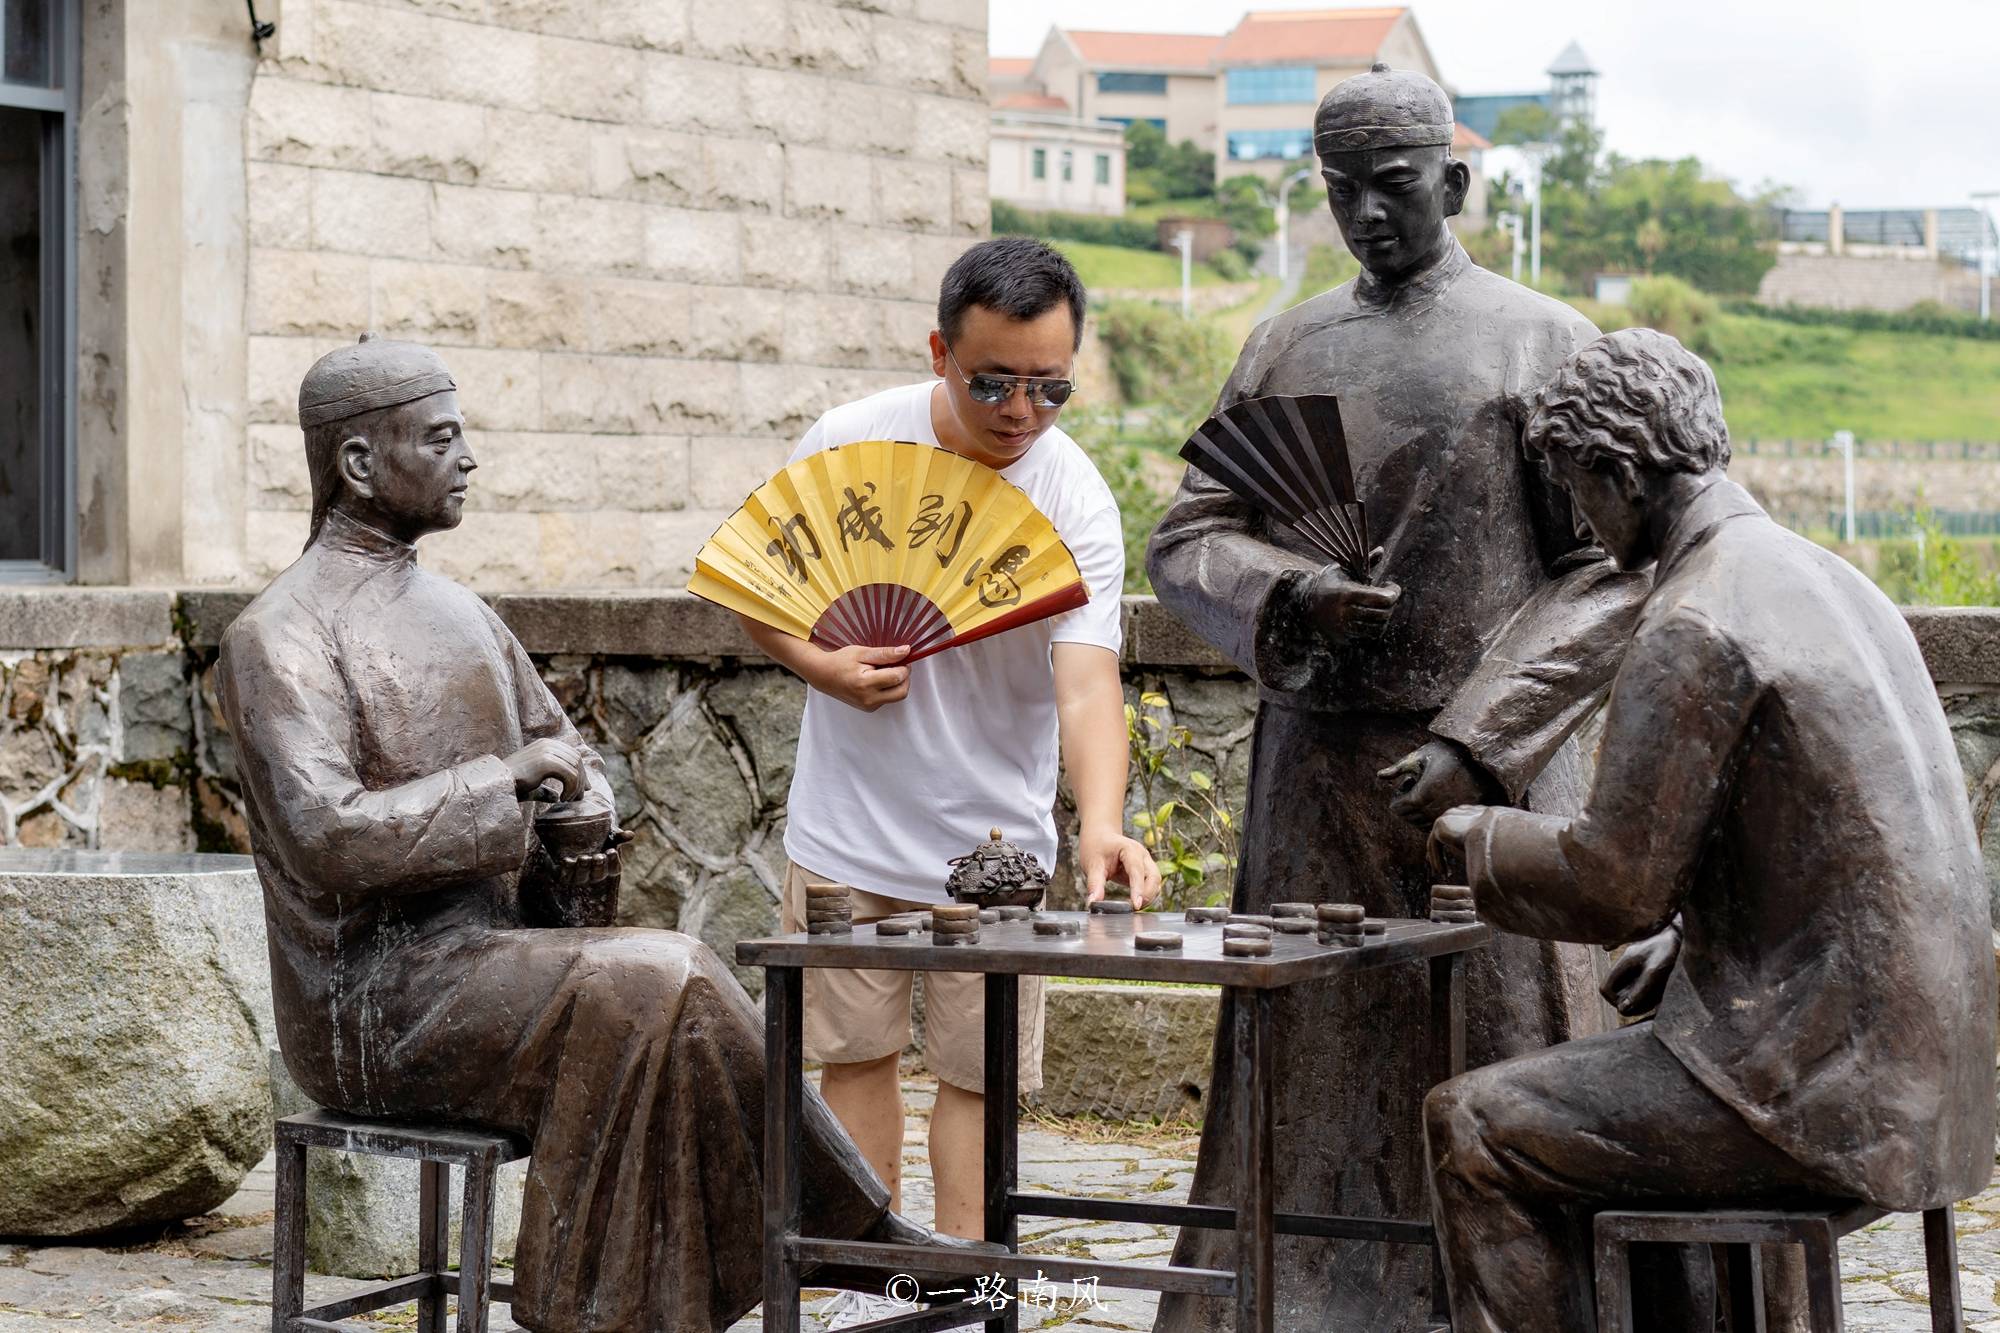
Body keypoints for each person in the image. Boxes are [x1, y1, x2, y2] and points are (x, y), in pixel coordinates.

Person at [217, 336, 984, 1333]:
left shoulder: (465, 616)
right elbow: (327, 835)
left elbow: (563, 759)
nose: (469, 458)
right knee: (651, 979)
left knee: (662, 988)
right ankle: (815, 1245)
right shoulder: (277, 636)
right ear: (359, 463)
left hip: (493, 960)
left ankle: (692, 1283)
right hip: (370, 999)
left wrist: (578, 821)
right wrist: (502, 784)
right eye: (441, 438)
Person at [1145, 64, 1652, 1331]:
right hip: (1311, 770)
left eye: (1393, 186)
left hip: (1491, 767)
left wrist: (1481, 740)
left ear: (1455, 183)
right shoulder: (1283, 340)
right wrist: (1285, 593)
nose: (1365, 214)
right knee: (1310, 1041)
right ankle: (1290, 1293)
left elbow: (1605, 576)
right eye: (1340, 191)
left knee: (1502, 1034)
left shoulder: (1541, 341)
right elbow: (1190, 533)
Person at [1425, 329, 1997, 1333]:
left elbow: (1611, 885)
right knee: (1634, 1061)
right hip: (1942, 1082)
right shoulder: (1833, 582)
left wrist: (1477, 838)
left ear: (1619, 468)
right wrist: (1693, 940)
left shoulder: (1693, 617)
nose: (1583, 521)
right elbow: (1831, 848)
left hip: (1827, 1104)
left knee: (1471, 1122)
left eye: (1577, 489)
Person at [733, 236, 1160, 1302]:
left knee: (980, 1076)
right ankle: (857, 1289)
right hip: (845, 834)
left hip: (997, 853)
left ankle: (970, 1291)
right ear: (938, 351)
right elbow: (757, 583)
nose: (1021, 410)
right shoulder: (848, 440)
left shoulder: (1074, 497)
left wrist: (1101, 819)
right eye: (993, 383)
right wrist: (821, 665)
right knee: (853, 1062)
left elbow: (1084, 683)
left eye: (1050, 387)